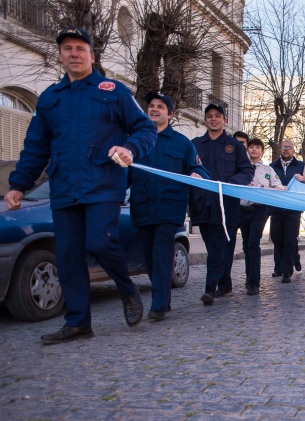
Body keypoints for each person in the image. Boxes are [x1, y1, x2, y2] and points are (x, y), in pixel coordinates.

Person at [6, 27, 157, 343]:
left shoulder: (112, 91)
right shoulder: (50, 99)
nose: (73, 53)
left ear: (91, 54)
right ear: (61, 55)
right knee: (68, 255)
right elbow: (36, 147)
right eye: (67, 49)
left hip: (103, 182)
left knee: (101, 243)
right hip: (64, 187)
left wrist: (129, 148)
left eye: (79, 48)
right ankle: (78, 322)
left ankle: (127, 289)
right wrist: (18, 185)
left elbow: (145, 129)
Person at [129, 92, 208, 320]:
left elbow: (199, 169)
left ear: (170, 114)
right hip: (142, 207)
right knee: (150, 257)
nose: (154, 109)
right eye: (151, 105)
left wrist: (196, 173)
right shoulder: (136, 141)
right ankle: (163, 298)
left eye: (160, 107)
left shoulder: (181, 143)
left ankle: (159, 305)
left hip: (169, 208)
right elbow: (124, 174)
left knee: (162, 254)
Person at [191, 103, 254, 304]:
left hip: (225, 205)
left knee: (218, 247)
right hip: (202, 204)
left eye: (217, 116)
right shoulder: (195, 145)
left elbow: (247, 171)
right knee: (213, 247)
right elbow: (186, 169)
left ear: (224, 120)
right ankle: (224, 282)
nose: (213, 119)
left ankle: (210, 288)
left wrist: (229, 184)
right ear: (205, 120)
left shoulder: (234, 146)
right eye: (209, 116)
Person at [269, 140, 305, 283]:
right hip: (277, 207)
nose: (286, 150)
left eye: (289, 148)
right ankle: (294, 257)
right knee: (277, 238)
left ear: (293, 150)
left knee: (290, 239)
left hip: (293, 208)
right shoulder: (272, 167)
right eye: (284, 147)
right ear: (280, 149)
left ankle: (286, 271)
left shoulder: (301, 166)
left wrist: (303, 179)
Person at [241, 138, 281, 295]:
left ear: (262, 151)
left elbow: (278, 187)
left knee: (253, 243)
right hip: (243, 208)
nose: (254, 150)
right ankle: (248, 276)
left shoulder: (267, 170)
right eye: (251, 147)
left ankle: (254, 282)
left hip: (260, 209)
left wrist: (268, 191)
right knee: (246, 244)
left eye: (257, 147)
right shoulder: (241, 167)